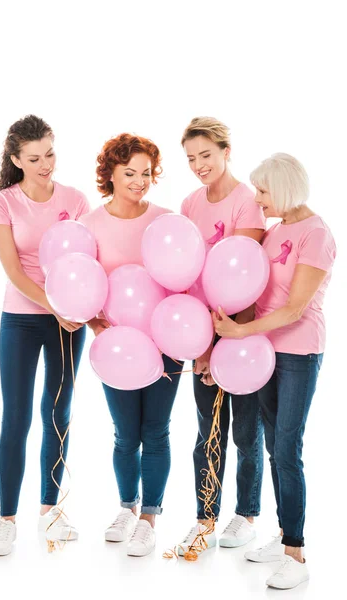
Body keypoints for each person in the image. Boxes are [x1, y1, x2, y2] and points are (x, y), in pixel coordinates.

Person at [213, 153, 336, 589]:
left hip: (298, 354)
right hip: (263, 352)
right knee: (271, 447)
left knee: (287, 449)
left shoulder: (317, 234)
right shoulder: (275, 232)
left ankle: (296, 553)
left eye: (263, 191)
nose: (258, 200)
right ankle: (283, 535)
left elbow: (294, 308)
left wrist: (240, 331)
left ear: (282, 189)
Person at [0, 115, 90, 556]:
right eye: (34, 158)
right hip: (23, 318)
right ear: (16, 160)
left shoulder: (76, 199)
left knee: (58, 413)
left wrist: (77, 310)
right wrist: (57, 306)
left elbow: (87, 261)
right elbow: (13, 271)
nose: (45, 163)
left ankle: (50, 511)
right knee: (17, 417)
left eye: (49, 153)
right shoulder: (3, 203)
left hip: (67, 323)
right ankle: (6, 519)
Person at [80, 133, 183, 557]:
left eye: (146, 173)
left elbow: (184, 280)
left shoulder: (167, 219)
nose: (140, 181)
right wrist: (93, 324)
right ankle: (127, 508)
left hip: (167, 344)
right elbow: (80, 286)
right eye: (130, 173)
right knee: (125, 435)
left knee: (155, 432)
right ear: (111, 174)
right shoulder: (89, 225)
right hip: (118, 350)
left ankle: (149, 518)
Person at [178, 116, 266, 554]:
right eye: (192, 158)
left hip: (241, 336)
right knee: (206, 431)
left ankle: (246, 515)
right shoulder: (190, 203)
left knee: (247, 433)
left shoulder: (247, 202)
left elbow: (246, 280)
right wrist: (199, 346)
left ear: (226, 151)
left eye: (206, 155)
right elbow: (187, 278)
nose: (199, 165)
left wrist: (222, 344)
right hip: (202, 337)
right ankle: (205, 516)